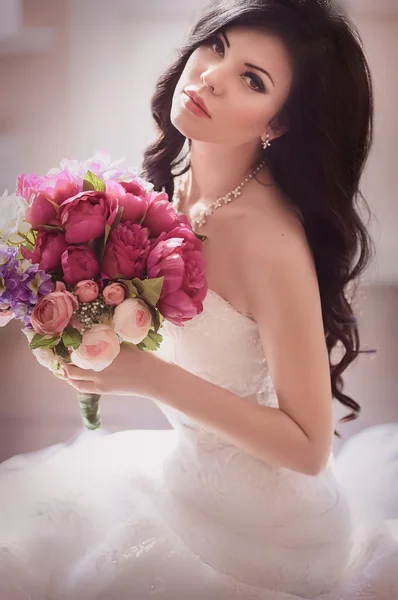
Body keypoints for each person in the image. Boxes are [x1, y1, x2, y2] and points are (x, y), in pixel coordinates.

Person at [0, 0, 397, 598]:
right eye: (218, 46)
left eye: (251, 79)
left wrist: (150, 377)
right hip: (186, 472)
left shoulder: (269, 241)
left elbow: (311, 447)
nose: (211, 75)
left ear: (278, 124)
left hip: (261, 531)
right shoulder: (173, 190)